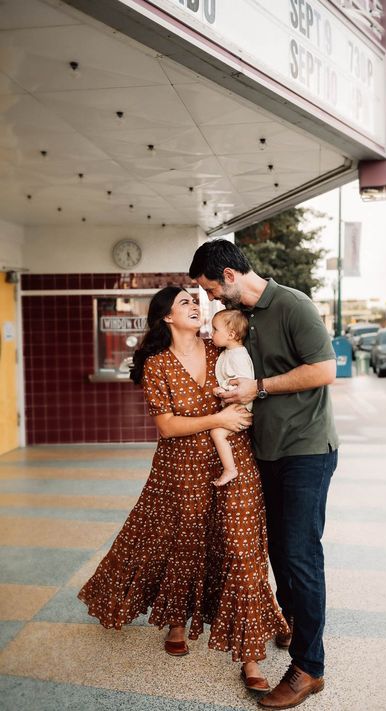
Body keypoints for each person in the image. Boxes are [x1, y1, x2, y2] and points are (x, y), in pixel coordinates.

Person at [78, 286, 289, 690]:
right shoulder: (157, 364)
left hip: (236, 463)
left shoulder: (223, 349)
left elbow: (249, 390)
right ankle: (177, 620)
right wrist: (217, 421)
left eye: (196, 300)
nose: (195, 305)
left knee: (243, 552)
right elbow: (167, 426)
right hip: (180, 467)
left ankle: (251, 658)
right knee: (184, 541)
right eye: (184, 303)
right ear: (166, 318)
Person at [189, 240, 339, 710]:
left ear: (230, 277)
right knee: (278, 548)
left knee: (298, 554)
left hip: (306, 450)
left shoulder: (292, 305)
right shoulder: (242, 320)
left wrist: (261, 387)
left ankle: (308, 668)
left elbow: (325, 370)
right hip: (267, 452)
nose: (212, 299)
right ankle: (293, 618)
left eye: (211, 289)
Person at [210, 309, 255, 486]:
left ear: (231, 334)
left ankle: (230, 470)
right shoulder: (228, 352)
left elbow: (244, 383)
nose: (211, 334)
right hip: (235, 405)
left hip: (241, 408)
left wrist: (224, 390)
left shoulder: (238, 356)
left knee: (217, 433)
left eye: (215, 330)